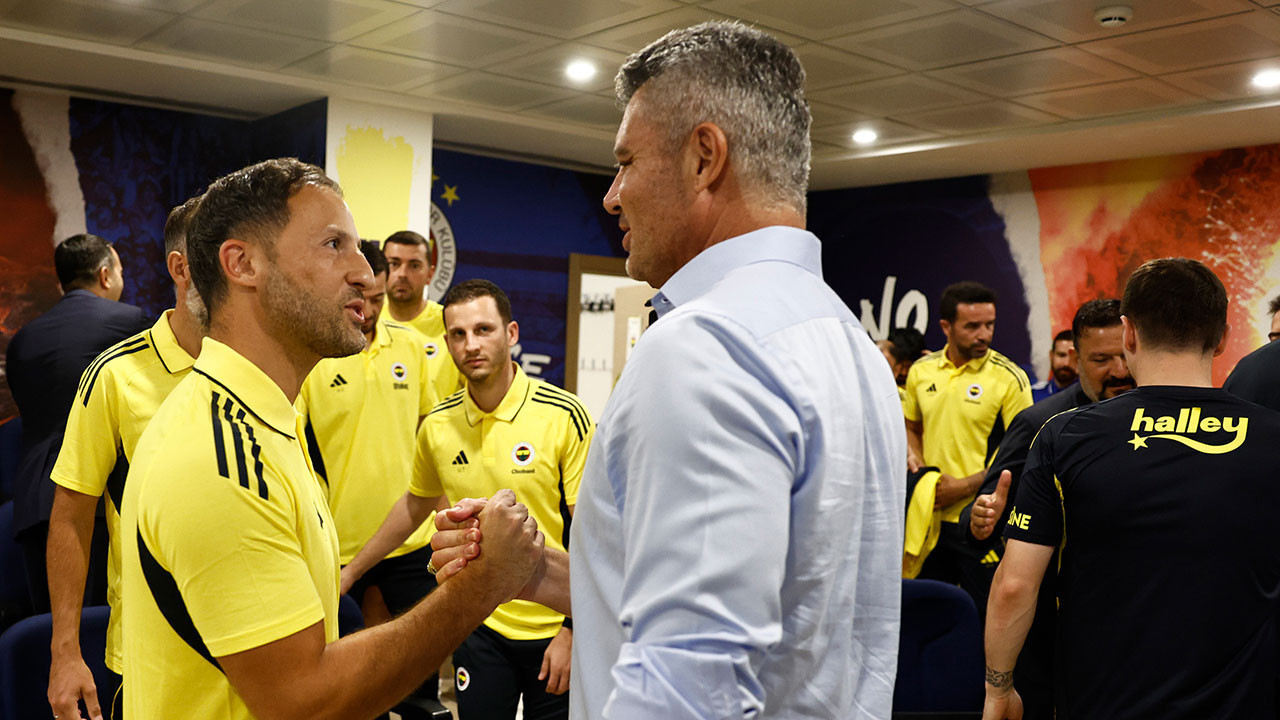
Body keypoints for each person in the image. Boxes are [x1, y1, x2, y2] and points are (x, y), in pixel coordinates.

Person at [425, 22, 905, 719]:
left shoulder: (704, 347)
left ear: (704, 157)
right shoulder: (846, 340)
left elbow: (690, 686)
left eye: (626, 162)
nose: (613, 195)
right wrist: (534, 572)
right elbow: (784, 612)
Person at [118, 157, 544, 720]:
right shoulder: (220, 458)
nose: (367, 276)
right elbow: (306, 701)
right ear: (241, 264)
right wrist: (481, 586)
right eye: (332, 245)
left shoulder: (266, 422)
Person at [984, 258, 1280, 720]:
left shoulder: (1065, 436)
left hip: (1103, 703)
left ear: (1129, 334)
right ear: (1221, 338)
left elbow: (1015, 585)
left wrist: (998, 688)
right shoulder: (1273, 435)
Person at [344, 279, 590, 720]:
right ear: (447, 343)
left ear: (511, 333)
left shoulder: (564, 415)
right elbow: (414, 506)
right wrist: (349, 573)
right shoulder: (437, 425)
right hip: (478, 621)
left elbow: (590, 532)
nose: (470, 344)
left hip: (553, 625)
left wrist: (575, 631)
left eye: (483, 330)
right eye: (458, 334)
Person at [44, 200, 205, 720]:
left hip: (263, 650)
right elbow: (71, 515)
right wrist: (65, 651)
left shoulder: (276, 371)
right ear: (181, 267)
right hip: (150, 656)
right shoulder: (116, 376)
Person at [958, 298, 1133, 720]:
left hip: (1132, 624)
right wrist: (979, 519)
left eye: (1124, 356)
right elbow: (983, 508)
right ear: (1074, 356)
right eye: (1100, 359)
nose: (1118, 371)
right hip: (1050, 631)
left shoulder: (1157, 419)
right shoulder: (1042, 422)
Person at [295, 240, 442, 704]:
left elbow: (428, 438)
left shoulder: (416, 349)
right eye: (365, 298)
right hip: (338, 548)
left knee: (419, 690)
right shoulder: (315, 357)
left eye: (380, 299)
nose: (372, 309)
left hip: (410, 543)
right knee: (353, 693)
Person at [5, 232, 150, 616]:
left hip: (35, 503)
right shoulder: (131, 323)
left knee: (53, 632)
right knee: (108, 627)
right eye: (120, 271)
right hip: (102, 499)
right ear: (105, 275)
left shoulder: (22, 340)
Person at [902, 281, 1031, 609]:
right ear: (946, 326)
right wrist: (914, 458)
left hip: (979, 522)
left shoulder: (1009, 379)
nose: (984, 334)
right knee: (924, 616)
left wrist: (964, 486)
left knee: (983, 621)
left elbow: (1024, 457)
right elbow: (911, 425)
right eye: (972, 326)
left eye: (989, 325)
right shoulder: (921, 371)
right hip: (925, 521)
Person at [383, 229, 461, 402]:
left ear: (430, 274)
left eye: (414, 265)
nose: (402, 274)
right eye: (394, 264)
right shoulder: (366, 323)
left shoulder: (451, 323)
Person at [1029, 329, 1076, 402]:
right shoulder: (1031, 395)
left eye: (1073, 357)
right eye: (1061, 355)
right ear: (1051, 355)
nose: (1066, 363)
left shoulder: (1091, 397)